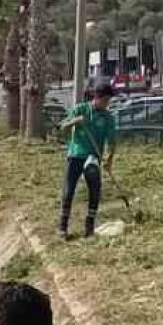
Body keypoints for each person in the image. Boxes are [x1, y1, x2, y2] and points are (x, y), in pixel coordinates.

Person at [57, 84, 118, 239]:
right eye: (105, 100)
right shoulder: (81, 109)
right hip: (76, 154)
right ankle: (63, 227)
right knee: (69, 190)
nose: (107, 104)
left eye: (108, 101)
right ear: (96, 97)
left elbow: (112, 143)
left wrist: (109, 160)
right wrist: (75, 121)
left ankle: (89, 227)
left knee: (95, 188)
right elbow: (62, 127)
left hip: (93, 157)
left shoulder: (108, 118)